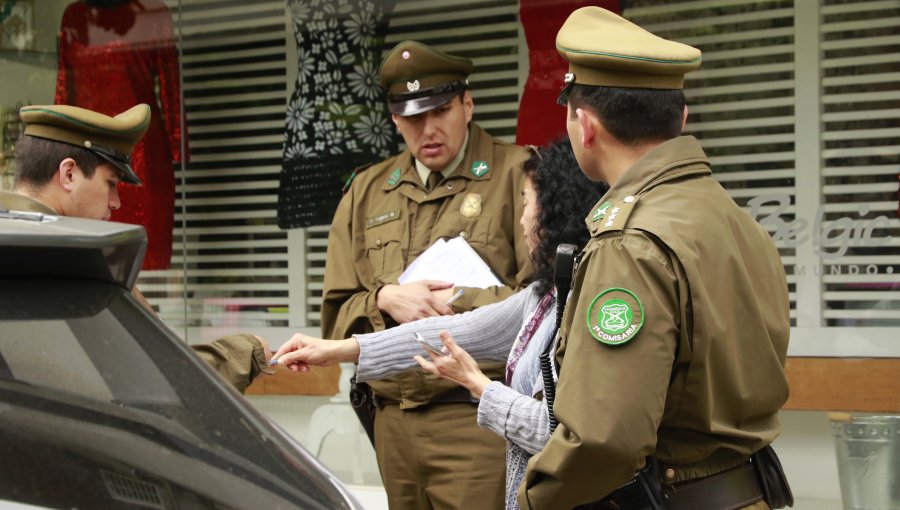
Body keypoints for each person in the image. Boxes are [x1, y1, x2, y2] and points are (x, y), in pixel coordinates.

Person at [514, 7, 791, 509]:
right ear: (680, 119)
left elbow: (605, 438)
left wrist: (534, 500)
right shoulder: (732, 218)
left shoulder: (629, 244)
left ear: (585, 124)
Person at [273, 137, 608, 510]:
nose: (522, 216)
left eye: (527, 203)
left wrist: (478, 384)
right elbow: (455, 333)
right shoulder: (542, 298)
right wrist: (338, 349)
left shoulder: (591, 298)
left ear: (554, 214)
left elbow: (569, 433)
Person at [320, 40, 533, 509]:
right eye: (413, 118)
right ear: (395, 119)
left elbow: (544, 309)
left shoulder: (518, 174)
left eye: (440, 111)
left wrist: (449, 304)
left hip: (475, 416)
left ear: (467, 104)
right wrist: (384, 299)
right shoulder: (367, 191)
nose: (428, 129)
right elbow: (336, 315)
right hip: (393, 420)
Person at [1, 103, 271, 393]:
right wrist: (246, 352)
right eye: (111, 183)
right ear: (69, 175)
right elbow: (162, 376)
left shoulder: (22, 246)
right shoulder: (81, 263)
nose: (115, 202)